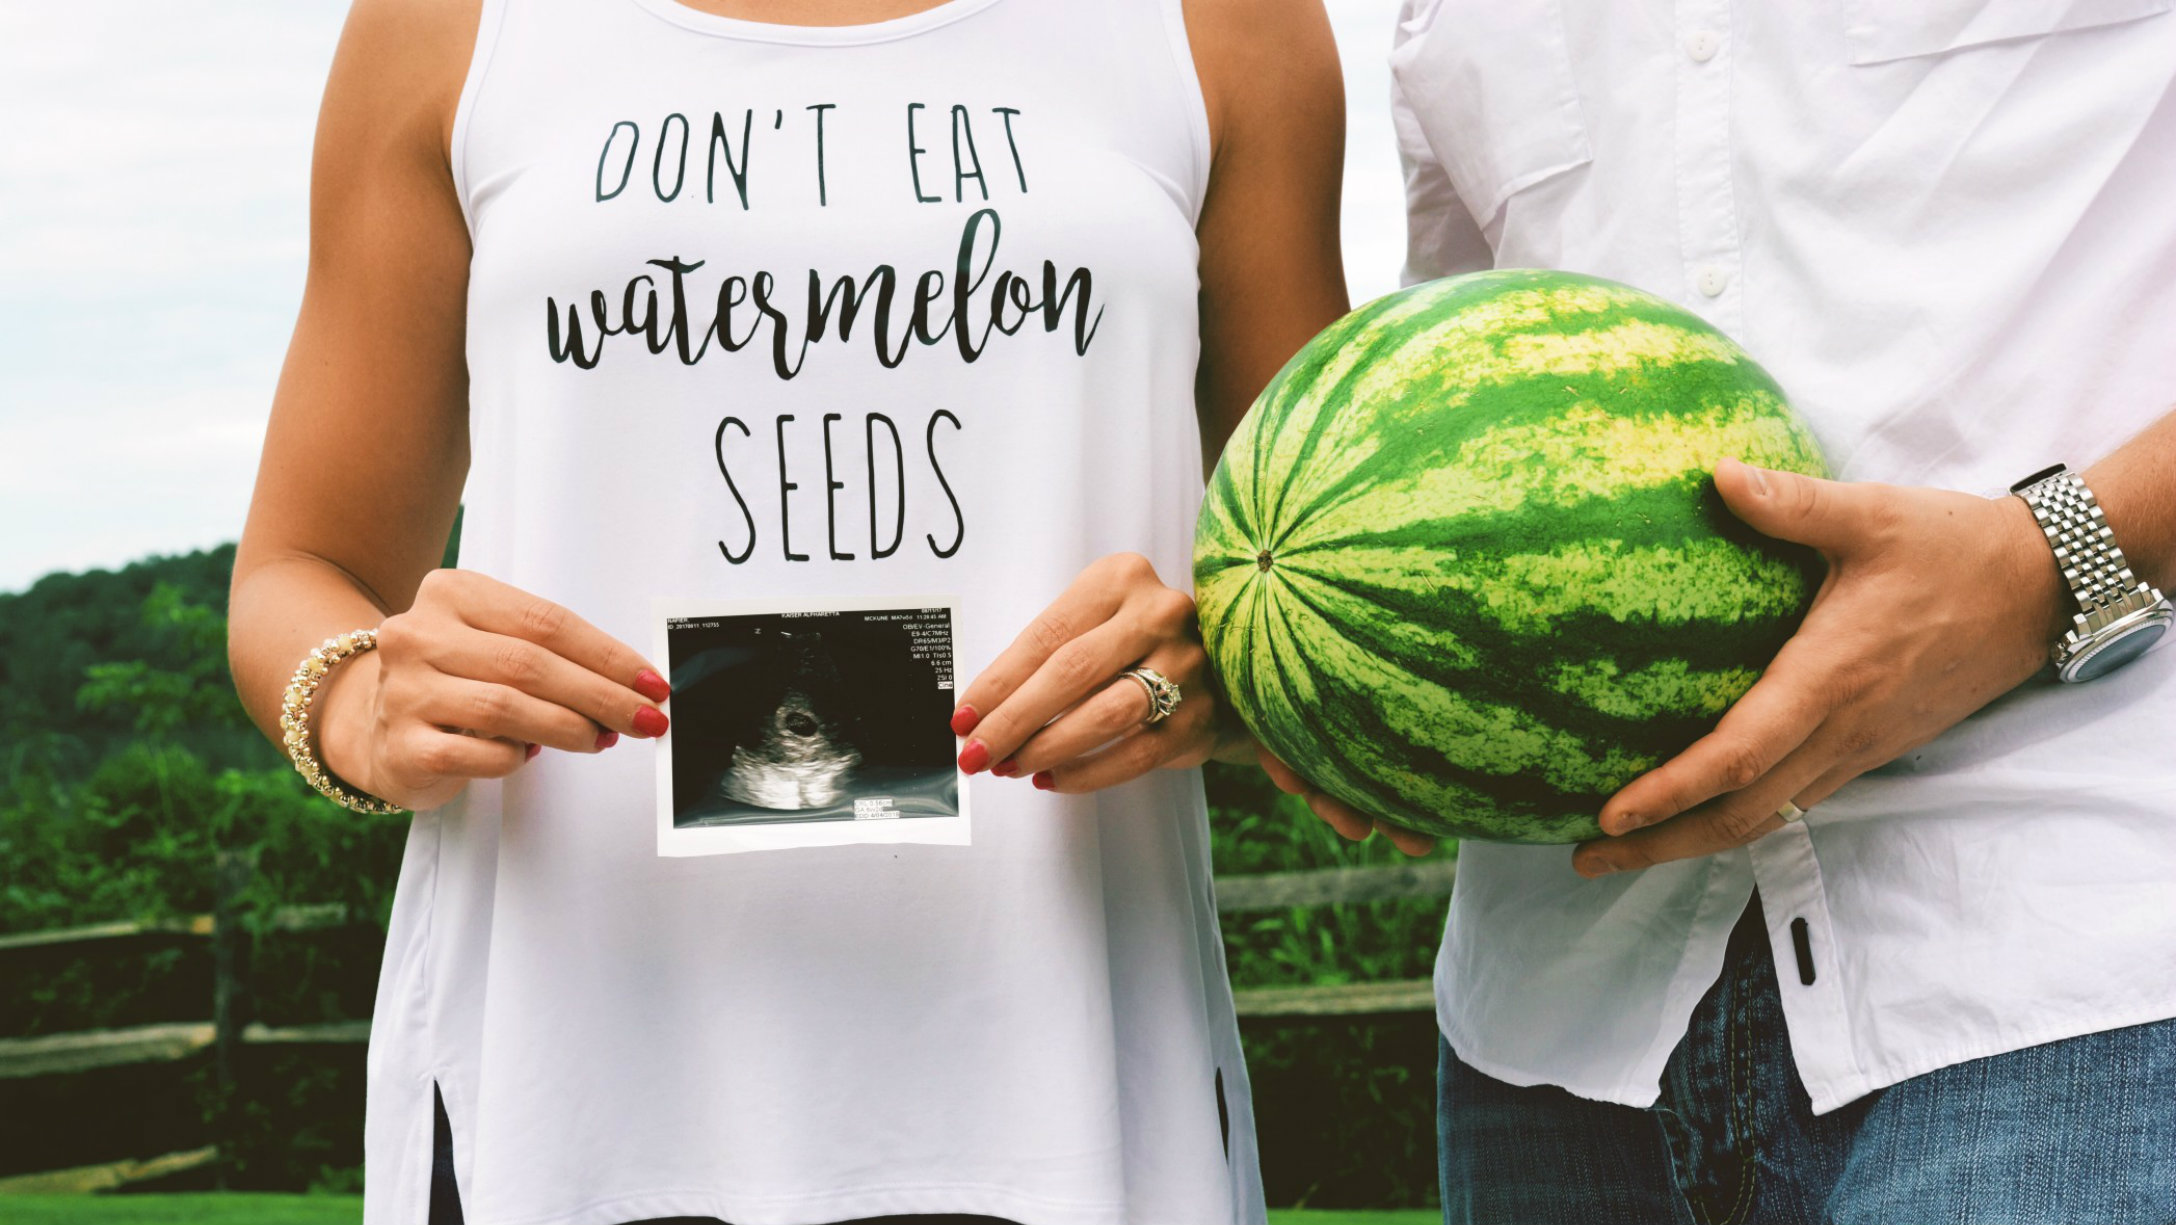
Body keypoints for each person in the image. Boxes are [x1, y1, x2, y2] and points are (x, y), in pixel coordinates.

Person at [224, 0, 1347, 1221]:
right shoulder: (448, 25)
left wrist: (1222, 676)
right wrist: (358, 701)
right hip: (564, 1103)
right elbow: (297, 567)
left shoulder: (1223, 25)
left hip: (1074, 1094)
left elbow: (1348, 600)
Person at [1267, 3, 2176, 1222]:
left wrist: (2041, 565)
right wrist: (1301, 650)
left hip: (2071, 949)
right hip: (1563, 1031)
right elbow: (1453, 421)